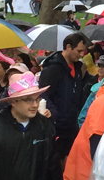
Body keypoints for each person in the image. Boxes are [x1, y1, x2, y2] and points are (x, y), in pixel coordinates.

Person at [38, 31, 90, 162]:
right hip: (57, 126)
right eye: (79, 51)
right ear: (68, 47)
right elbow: (43, 93)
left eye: (83, 51)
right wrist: (55, 115)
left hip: (72, 124)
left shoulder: (77, 68)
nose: (81, 55)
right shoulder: (53, 69)